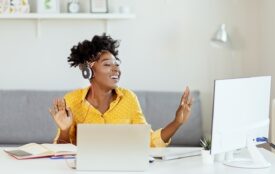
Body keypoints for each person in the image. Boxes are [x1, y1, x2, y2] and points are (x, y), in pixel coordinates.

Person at [49, 33, 192, 147]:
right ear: (88, 71)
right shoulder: (72, 101)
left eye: (116, 64)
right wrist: (65, 129)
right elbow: (61, 154)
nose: (116, 69)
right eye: (107, 64)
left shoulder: (128, 98)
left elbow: (147, 141)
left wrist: (177, 122)